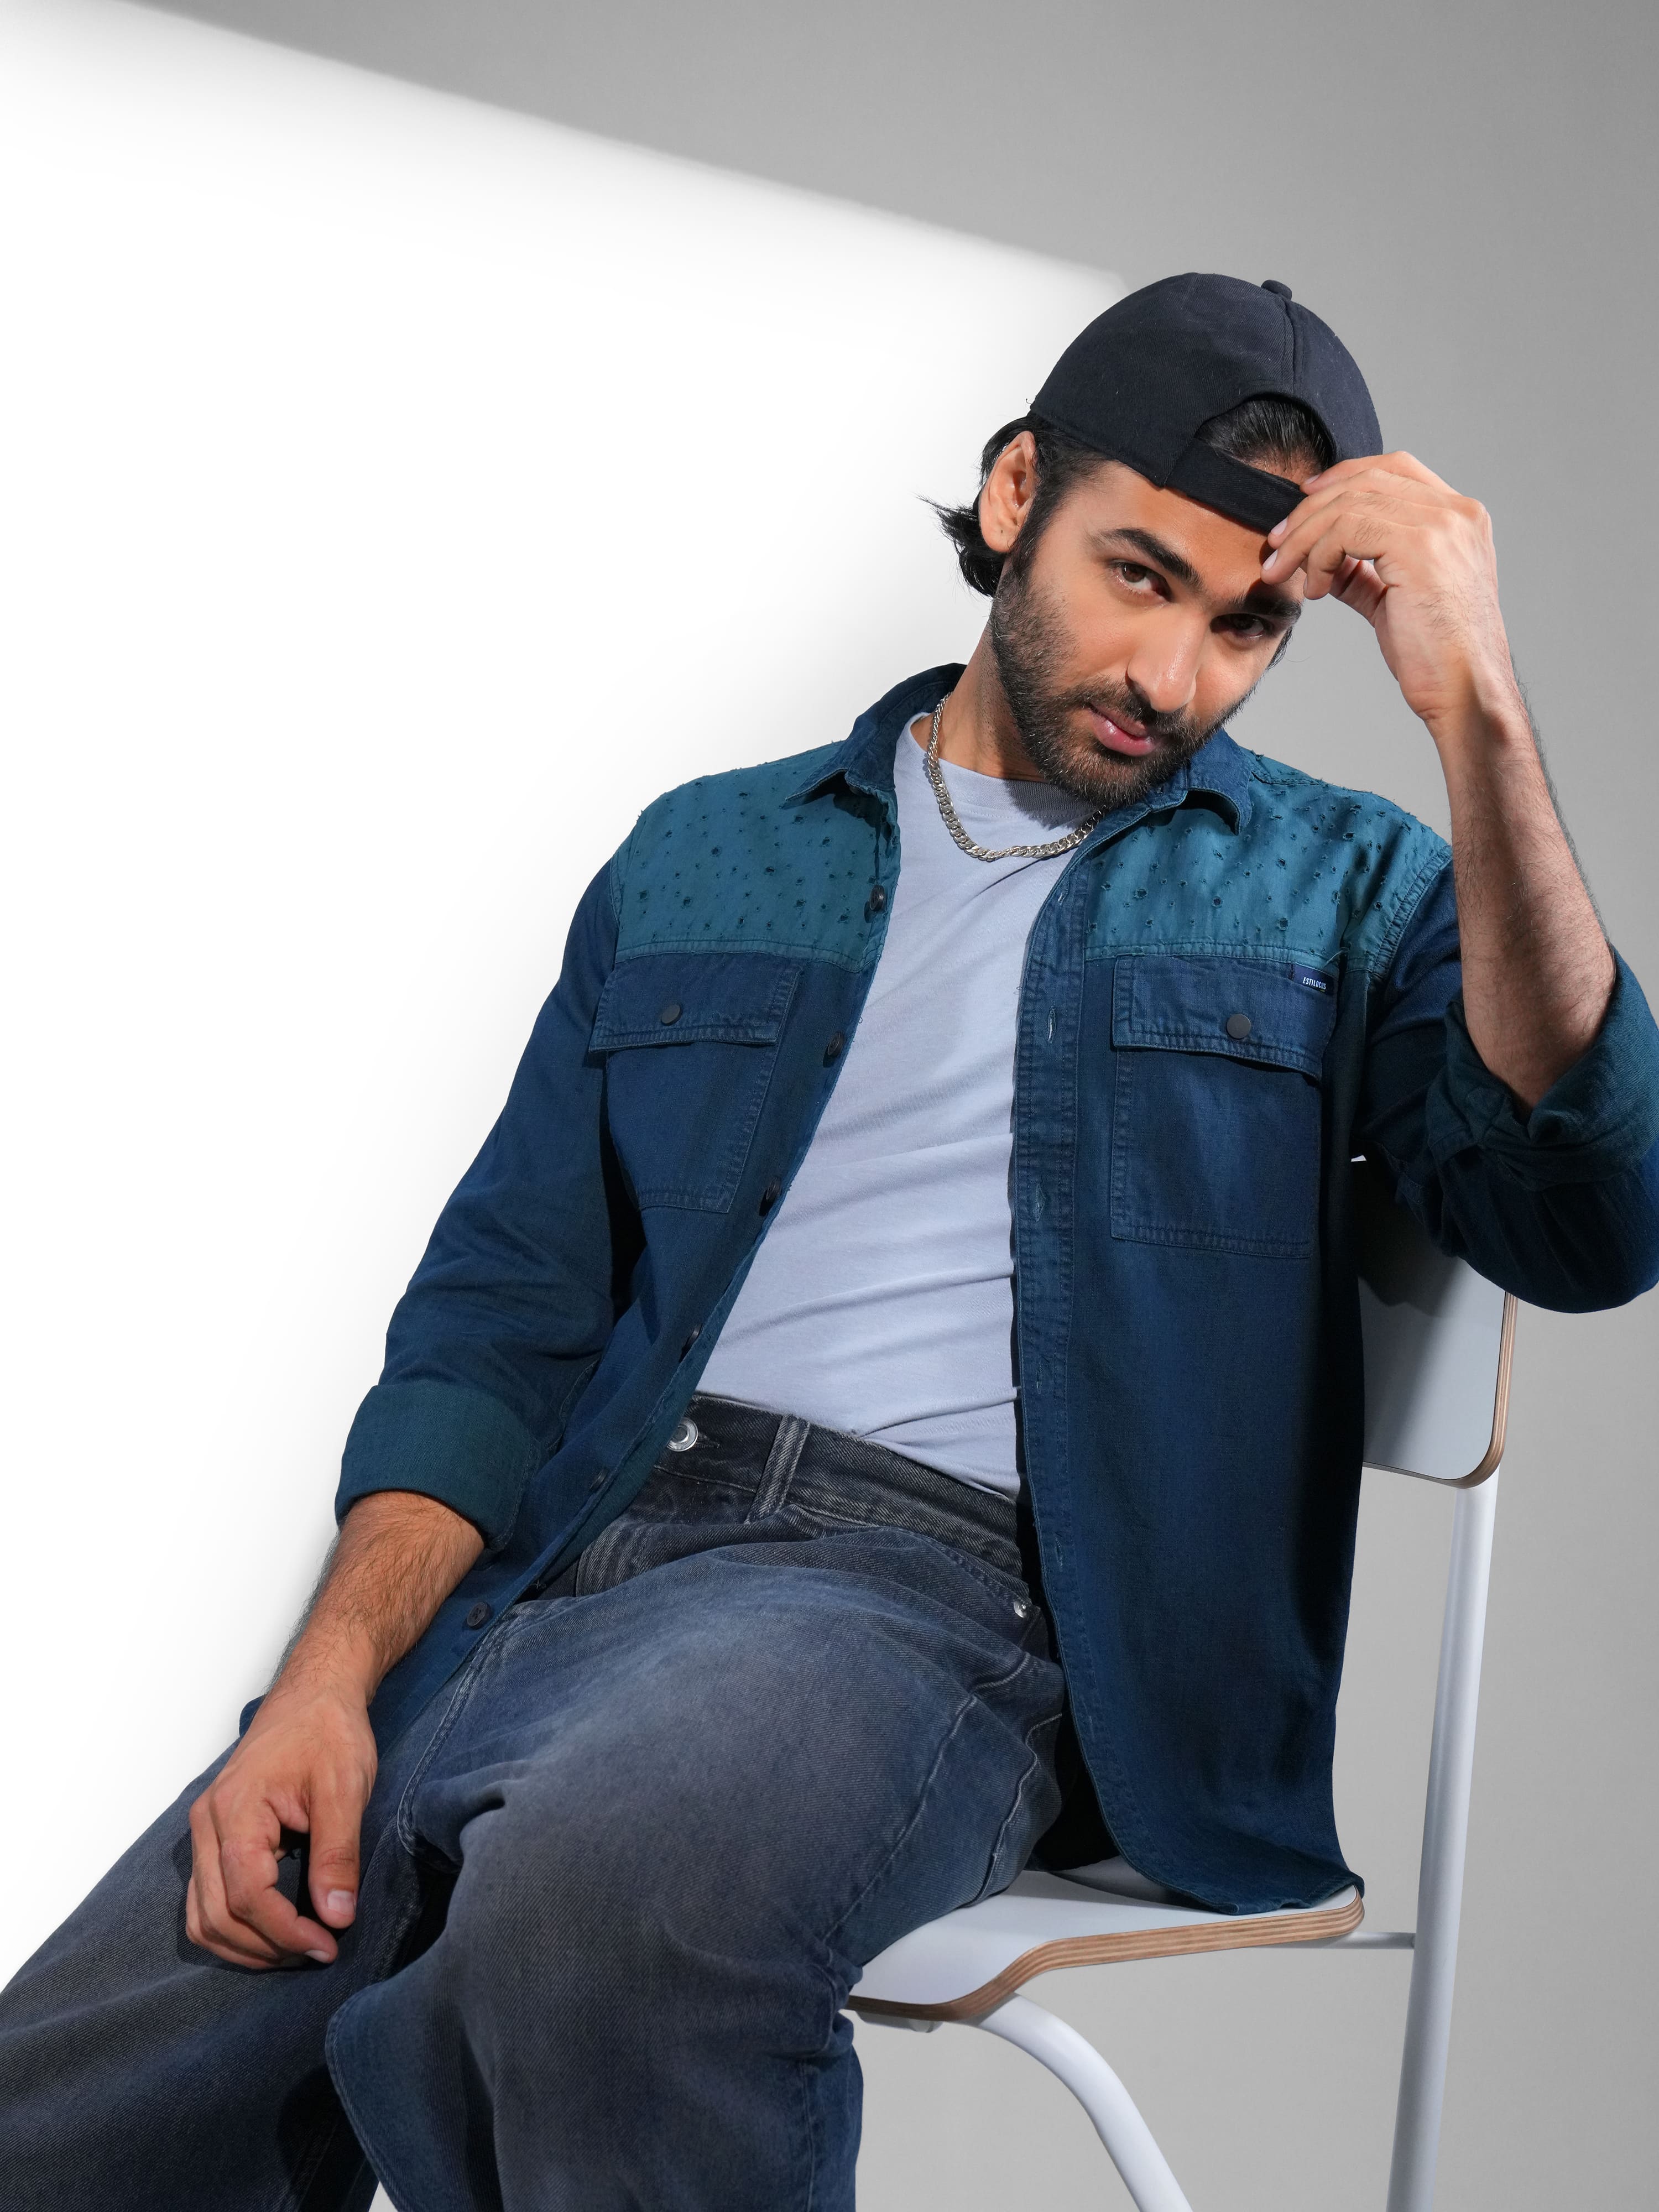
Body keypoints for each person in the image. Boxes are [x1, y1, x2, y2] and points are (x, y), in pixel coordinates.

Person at [4, 273, 1656, 2211]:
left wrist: (1474, 703)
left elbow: (1593, 1214)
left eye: (1247, 626)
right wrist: (321, 1683)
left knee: (596, 1929)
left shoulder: (1351, 889)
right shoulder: (709, 853)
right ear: (1018, 487)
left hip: (936, 1604)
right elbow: (497, 1330)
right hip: (550, 1577)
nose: (1176, 671)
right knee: (78, 2100)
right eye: (1138, 573)